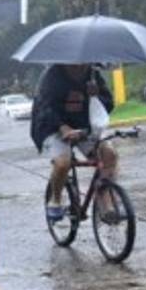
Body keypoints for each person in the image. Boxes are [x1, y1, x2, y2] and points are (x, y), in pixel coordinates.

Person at [29, 63, 116, 223]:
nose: (80, 65)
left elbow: (109, 104)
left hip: (82, 127)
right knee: (63, 163)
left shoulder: (93, 75)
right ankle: (55, 200)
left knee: (109, 154)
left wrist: (96, 96)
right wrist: (62, 128)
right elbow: (45, 108)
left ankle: (105, 199)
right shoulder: (51, 76)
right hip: (52, 127)